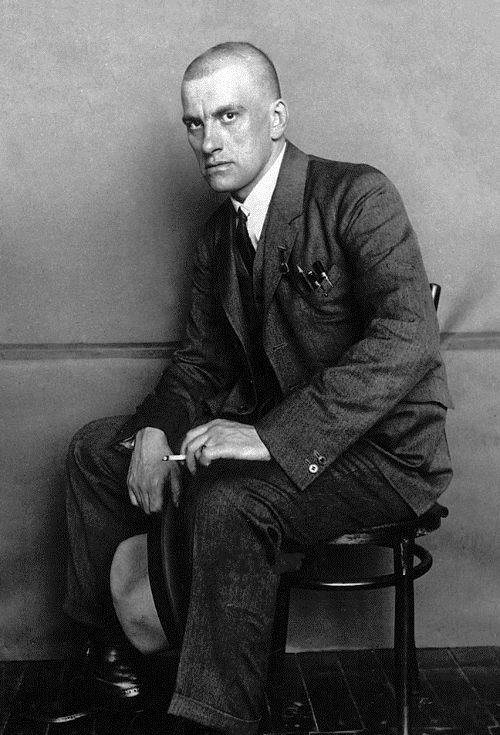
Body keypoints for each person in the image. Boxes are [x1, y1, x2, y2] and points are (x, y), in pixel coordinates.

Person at [28, 42, 452, 734]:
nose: (209, 141)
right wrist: (156, 430)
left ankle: (217, 718)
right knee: (96, 452)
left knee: (230, 498)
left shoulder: (357, 195)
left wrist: (267, 436)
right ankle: (118, 660)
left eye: (228, 116)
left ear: (277, 118)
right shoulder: (218, 238)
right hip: (282, 437)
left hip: (383, 455)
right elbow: (201, 361)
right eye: (195, 124)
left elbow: (408, 338)